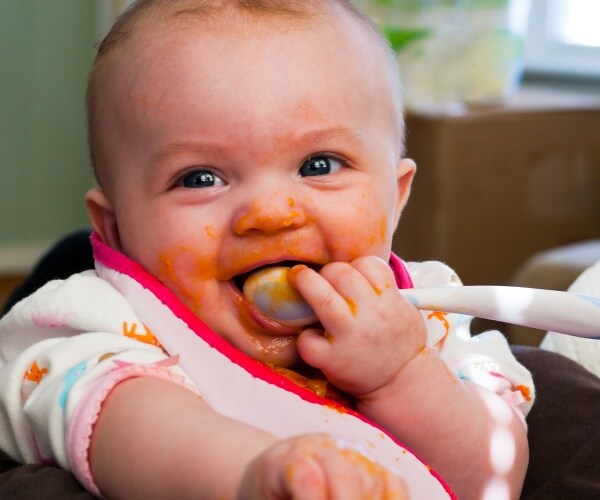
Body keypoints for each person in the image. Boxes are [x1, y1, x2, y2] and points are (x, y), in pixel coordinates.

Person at [0, 0, 534, 498]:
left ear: (395, 199)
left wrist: (402, 375)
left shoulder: (430, 317)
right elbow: (125, 425)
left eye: (319, 165)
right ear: (115, 229)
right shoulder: (104, 323)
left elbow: (494, 477)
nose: (271, 213)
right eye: (200, 177)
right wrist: (251, 475)